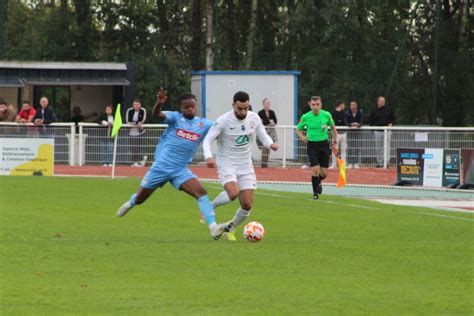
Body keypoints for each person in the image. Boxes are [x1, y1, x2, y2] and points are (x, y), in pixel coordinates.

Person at [116, 90, 227, 240]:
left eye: (192, 107)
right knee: (141, 199)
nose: (190, 109)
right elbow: (157, 115)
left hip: (180, 170)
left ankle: (213, 227)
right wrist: (159, 103)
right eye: (186, 107)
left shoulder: (203, 124)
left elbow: (220, 129)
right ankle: (131, 203)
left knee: (201, 192)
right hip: (161, 167)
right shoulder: (175, 117)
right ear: (181, 108)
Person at [203, 91, 278, 238]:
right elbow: (207, 140)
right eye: (240, 108)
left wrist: (271, 144)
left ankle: (229, 228)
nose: (243, 111)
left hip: (245, 165)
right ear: (233, 106)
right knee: (233, 193)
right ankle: (211, 205)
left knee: (247, 204)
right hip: (227, 163)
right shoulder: (223, 120)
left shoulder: (254, 118)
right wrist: (209, 157)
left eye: (246, 108)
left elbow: (262, 134)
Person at [296, 96, 338, 200]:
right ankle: (315, 194)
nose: (315, 107)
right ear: (310, 105)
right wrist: (303, 137)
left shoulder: (326, 115)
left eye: (317, 104)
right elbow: (298, 129)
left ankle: (318, 181)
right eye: (313, 105)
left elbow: (333, 128)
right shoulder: (306, 117)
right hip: (312, 145)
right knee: (315, 169)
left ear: (321, 105)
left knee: (323, 173)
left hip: (324, 144)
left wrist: (335, 141)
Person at [369, 96, 395, 168]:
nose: (383, 102)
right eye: (381, 101)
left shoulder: (389, 109)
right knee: (378, 147)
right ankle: (379, 162)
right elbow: (371, 121)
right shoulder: (374, 110)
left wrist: (391, 124)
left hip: (387, 131)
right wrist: (372, 129)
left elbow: (393, 119)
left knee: (387, 147)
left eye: (384, 101)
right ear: (378, 102)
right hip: (377, 131)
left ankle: (386, 162)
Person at [257, 98, 278, 168]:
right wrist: (268, 123)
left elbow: (275, 121)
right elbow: (260, 122)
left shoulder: (272, 112)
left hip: (271, 131)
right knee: (264, 147)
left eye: (268, 103)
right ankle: (263, 163)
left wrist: (270, 124)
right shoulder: (260, 112)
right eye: (266, 103)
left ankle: (266, 162)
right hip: (264, 131)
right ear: (263, 104)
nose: (267, 104)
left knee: (269, 146)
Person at [126, 99, 147, 167]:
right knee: (133, 147)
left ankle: (140, 160)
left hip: (140, 131)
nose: (136, 106)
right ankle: (135, 161)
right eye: (134, 104)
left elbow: (143, 120)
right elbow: (128, 121)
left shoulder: (143, 110)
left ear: (140, 105)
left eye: (137, 104)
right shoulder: (129, 110)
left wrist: (139, 124)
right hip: (132, 132)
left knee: (139, 147)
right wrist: (136, 123)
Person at [329, 101, 348, 169]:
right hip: (336, 134)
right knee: (335, 149)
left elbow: (345, 121)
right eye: (343, 105)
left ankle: (343, 164)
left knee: (343, 149)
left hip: (344, 133)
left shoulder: (344, 113)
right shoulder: (333, 113)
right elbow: (333, 122)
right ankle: (334, 164)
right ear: (340, 105)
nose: (344, 106)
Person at [345, 101, 363, 169]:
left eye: (354, 105)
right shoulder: (347, 113)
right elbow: (346, 122)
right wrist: (351, 124)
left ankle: (356, 163)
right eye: (351, 105)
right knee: (349, 147)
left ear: (356, 106)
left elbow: (361, 121)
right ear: (350, 106)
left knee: (357, 147)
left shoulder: (360, 112)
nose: (352, 107)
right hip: (350, 132)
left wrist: (358, 125)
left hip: (358, 132)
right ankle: (349, 163)